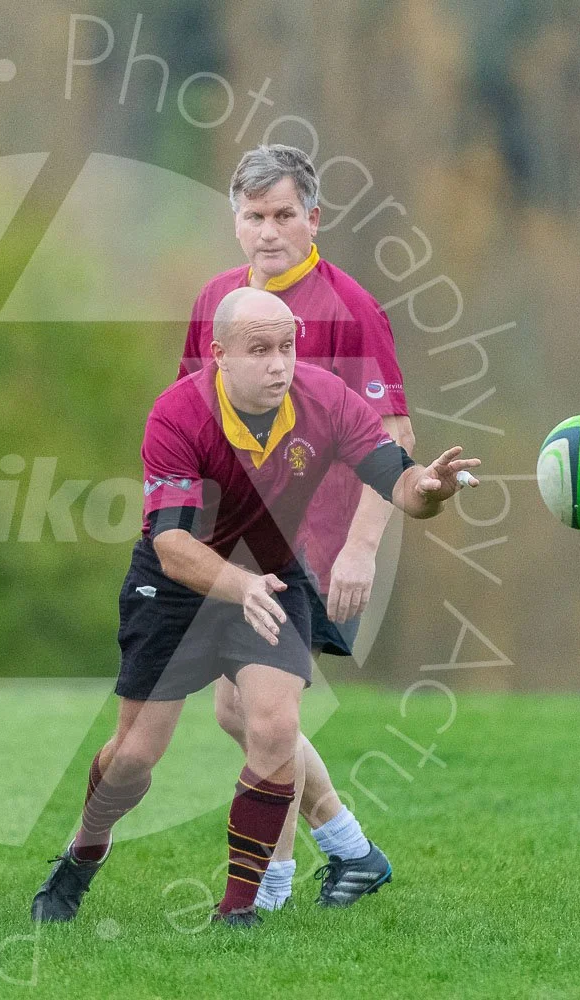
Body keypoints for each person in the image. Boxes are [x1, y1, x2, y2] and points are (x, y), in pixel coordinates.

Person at [32, 288, 479, 926]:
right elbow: (171, 543)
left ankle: (238, 912)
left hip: (270, 580)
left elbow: (401, 483)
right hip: (177, 586)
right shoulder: (178, 415)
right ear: (218, 356)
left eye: (287, 347)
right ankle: (82, 854)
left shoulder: (325, 400)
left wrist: (429, 490)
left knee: (273, 728)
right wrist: (237, 586)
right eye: (260, 350)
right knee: (132, 761)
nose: (279, 364)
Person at [180, 144, 416, 908]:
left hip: (311, 540)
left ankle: (268, 890)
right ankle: (351, 850)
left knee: (267, 715)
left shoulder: (349, 309)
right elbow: (190, 418)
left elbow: (396, 436)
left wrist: (362, 546)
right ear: (235, 221)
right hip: (236, 540)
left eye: (285, 215)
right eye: (255, 216)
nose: (270, 231)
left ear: (315, 219)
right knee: (235, 708)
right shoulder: (216, 302)